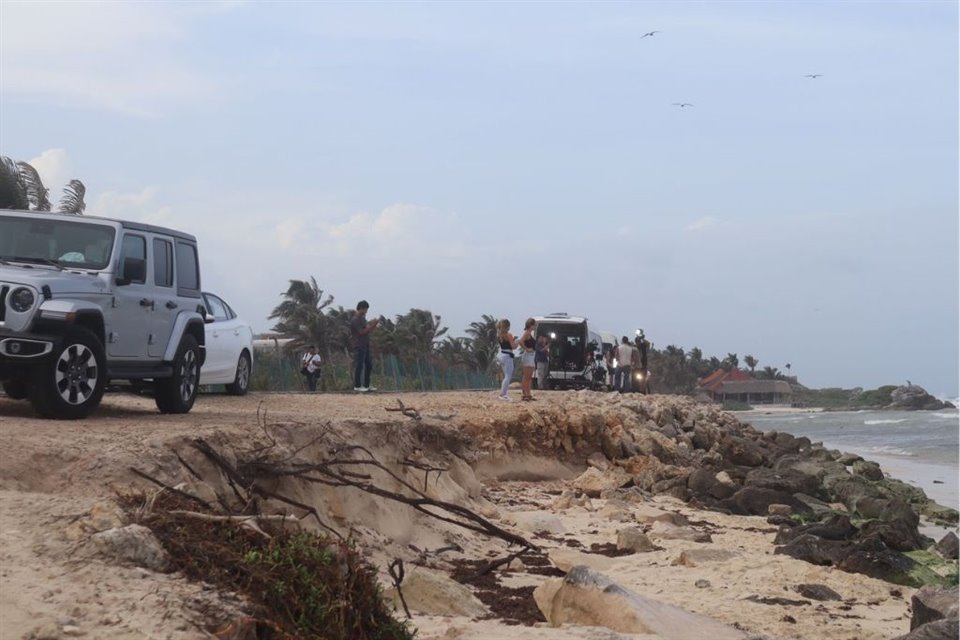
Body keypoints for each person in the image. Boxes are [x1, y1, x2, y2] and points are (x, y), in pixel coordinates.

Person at [350, 300, 380, 392]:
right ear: (361, 308)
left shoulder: (363, 319)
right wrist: (372, 326)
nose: (366, 311)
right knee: (359, 365)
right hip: (359, 345)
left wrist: (373, 326)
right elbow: (361, 332)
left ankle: (366, 385)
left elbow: (367, 329)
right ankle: (357, 385)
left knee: (368, 365)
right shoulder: (355, 320)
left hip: (365, 344)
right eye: (366, 309)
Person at [496, 319, 518, 401]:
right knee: (508, 376)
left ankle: (503, 393)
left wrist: (513, 339)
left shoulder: (499, 335)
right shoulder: (509, 335)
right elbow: (513, 346)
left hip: (502, 354)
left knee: (506, 375)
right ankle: (503, 394)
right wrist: (517, 342)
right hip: (508, 355)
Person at [519, 318, 537, 401]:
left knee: (529, 377)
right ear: (530, 325)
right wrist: (526, 348)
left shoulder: (530, 334)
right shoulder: (526, 333)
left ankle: (528, 393)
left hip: (532, 355)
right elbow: (520, 341)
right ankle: (524, 393)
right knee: (526, 376)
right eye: (534, 325)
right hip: (528, 355)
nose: (535, 326)